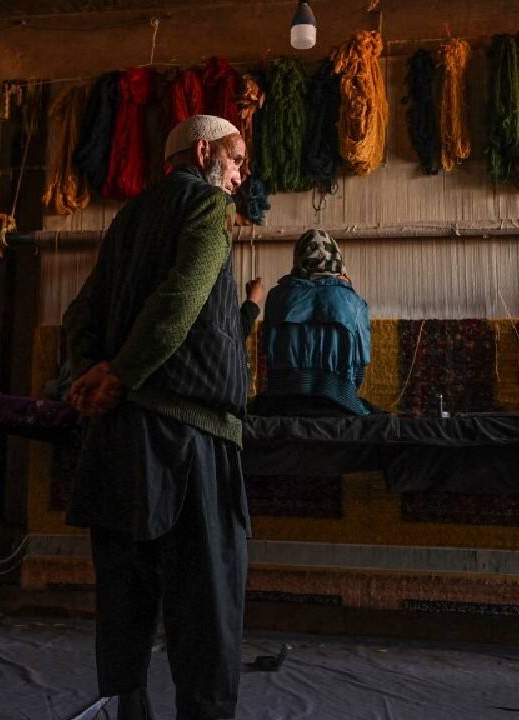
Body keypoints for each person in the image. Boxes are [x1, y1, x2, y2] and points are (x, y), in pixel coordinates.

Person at [62, 114, 249, 720]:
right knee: (205, 600)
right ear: (204, 152)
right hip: (187, 437)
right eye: (237, 160)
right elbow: (182, 299)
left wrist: (93, 372)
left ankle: (129, 711)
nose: (241, 177)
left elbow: (81, 313)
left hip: (118, 434)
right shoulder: (208, 209)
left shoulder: (128, 218)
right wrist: (117, 375)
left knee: (125, 596)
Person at [248, 229, 373, 416]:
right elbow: (361, 363)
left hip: (283, 403)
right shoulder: (353, 302)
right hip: (340, 404)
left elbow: (268, 353)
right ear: (337, 259)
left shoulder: (277, 297)